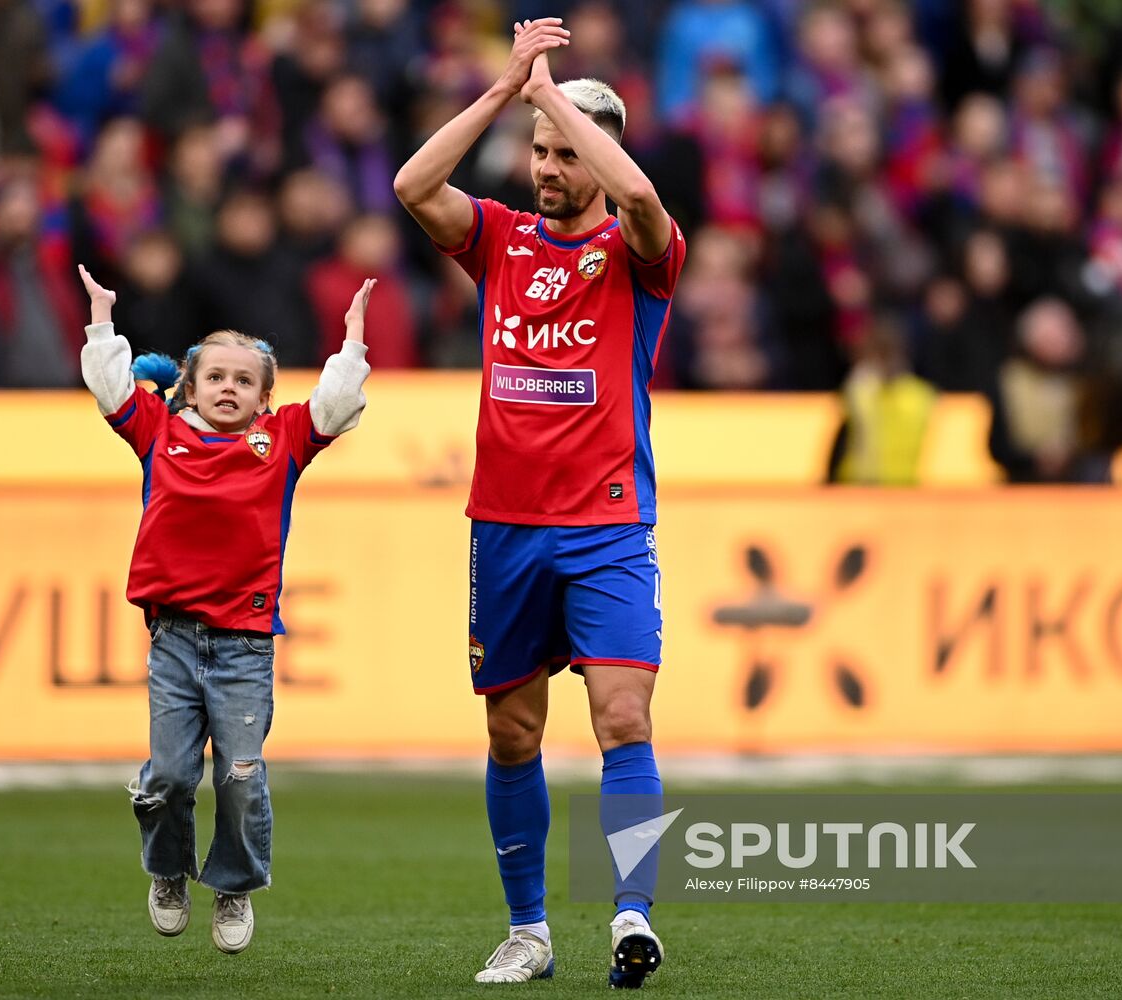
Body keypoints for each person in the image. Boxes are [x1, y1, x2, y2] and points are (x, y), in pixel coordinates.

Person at [394, 16, 686, 989]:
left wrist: (554, 93)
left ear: (598, 155)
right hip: (507, 526)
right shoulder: (500, 241)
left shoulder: (643, 254)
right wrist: (503, 89)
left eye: (565, 151)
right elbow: (411, 187)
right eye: (540, 149)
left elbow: (639, 191)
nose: (547, 165)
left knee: (623, 718)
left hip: (606, 528)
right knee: (512, 732)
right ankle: (528, 930)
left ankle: (633, 915)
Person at [76, 262, 374, 954]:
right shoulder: (158, 432)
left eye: (244, 381)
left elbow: (333, 406)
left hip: (243, 646)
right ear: (191, 384)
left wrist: (352, 341)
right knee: (173, 777)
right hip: (175, 641)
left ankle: (234, 883)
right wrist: (101, 318)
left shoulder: (283, 443)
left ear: (266, 397)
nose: (228, 388)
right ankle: (169, 871)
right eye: (215, 377)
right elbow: (111, 387)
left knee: (240, 776)